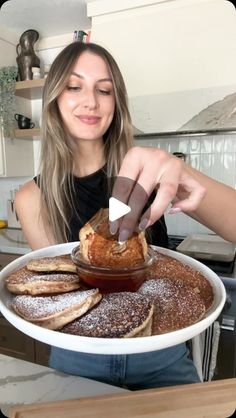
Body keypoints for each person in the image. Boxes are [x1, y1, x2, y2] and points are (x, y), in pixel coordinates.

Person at [14, 41, 236, 390]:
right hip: (78, 358)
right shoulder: (32, 198)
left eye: (104, 90)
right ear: (55, 98)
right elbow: (61, 294)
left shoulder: (152, 171)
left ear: (116, 103)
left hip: (161, 351)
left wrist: (180, 174)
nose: (91, 101)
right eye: (74, 87)